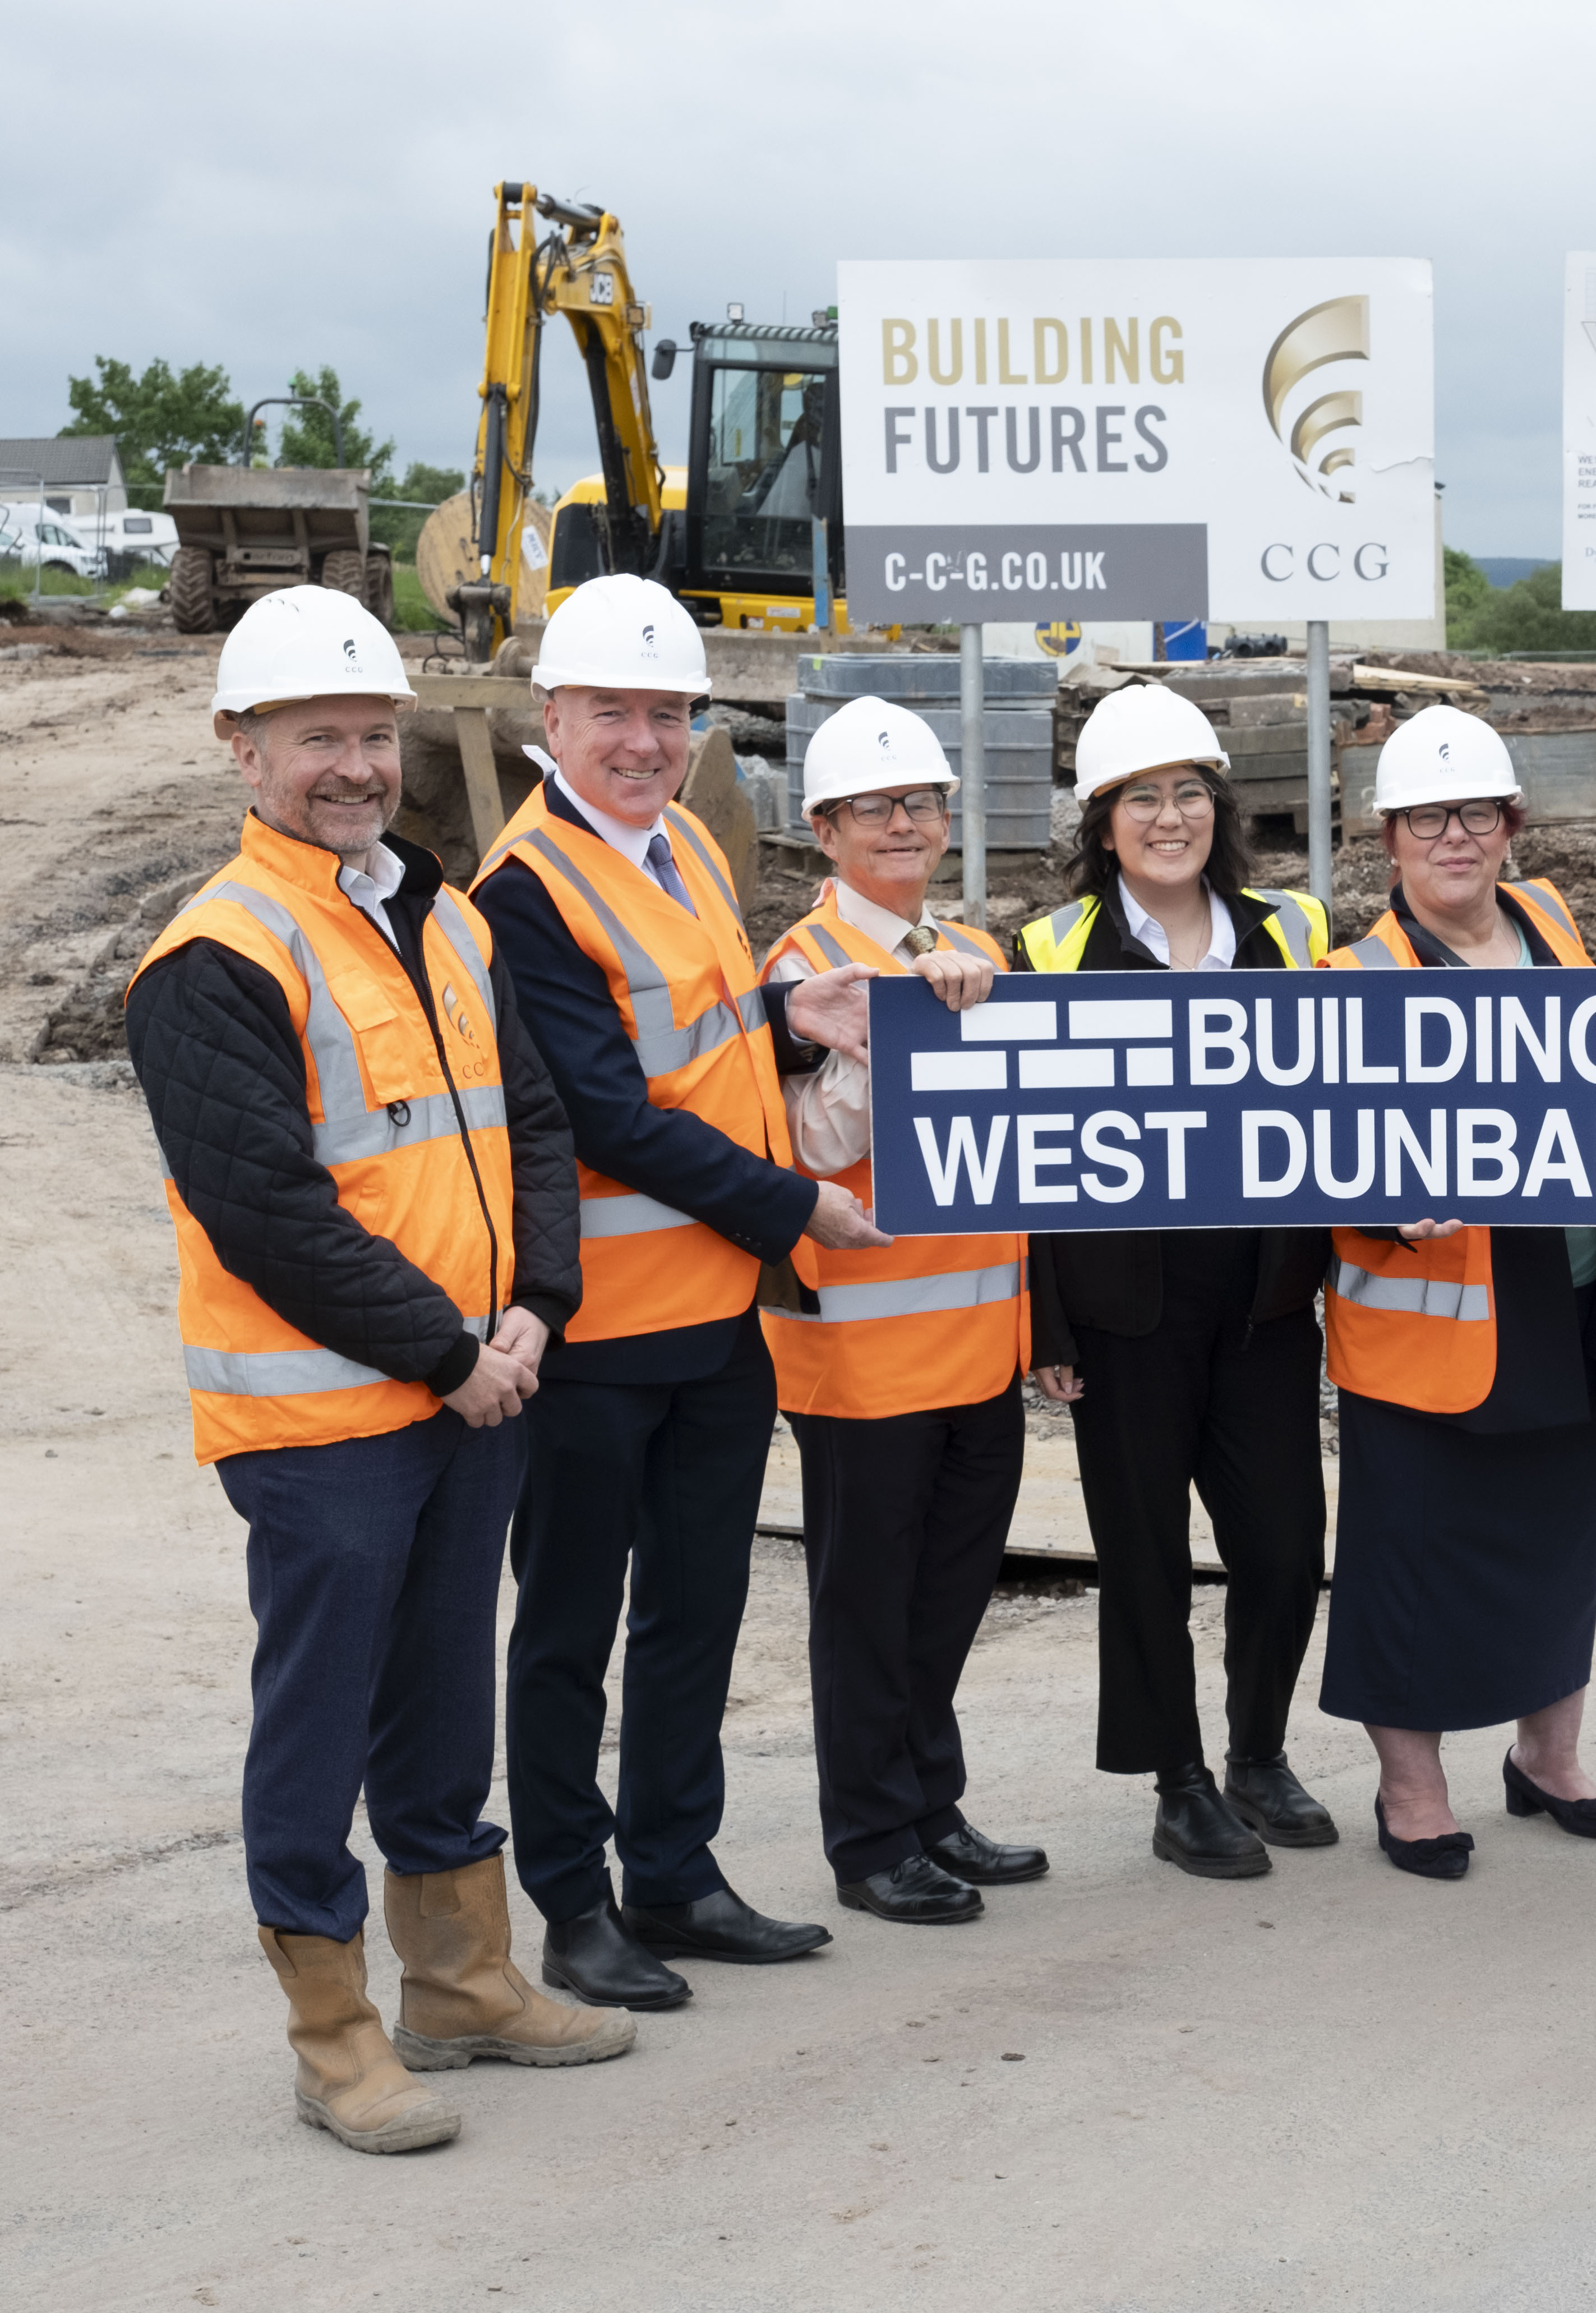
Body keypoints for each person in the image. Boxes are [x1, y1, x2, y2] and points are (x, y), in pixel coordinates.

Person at [126, 587, 630, 2154]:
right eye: (316, 738)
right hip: (326, 1415)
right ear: (242, 748)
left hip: (479, 1382)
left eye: (372, 734)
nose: (353, 765)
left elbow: (530, 1124)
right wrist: (446, 1353)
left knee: (437, 1692)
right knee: (322, 1714)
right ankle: (334, 2031)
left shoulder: (443, 912)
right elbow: (268, 1208)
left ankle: (464, 1985)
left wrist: (536, 1304)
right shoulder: (212, 958)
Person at [471, 575, 877, 2008]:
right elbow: (602, 1112)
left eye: (668, 713)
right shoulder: (521, 893)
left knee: (696, 1609)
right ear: (553, 718)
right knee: (574, 1624)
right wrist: (797, 1203)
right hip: (594, 1338)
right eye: (615, 714)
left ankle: (677, 1873)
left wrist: (784, 1018)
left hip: (714, 1323)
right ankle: (574, 1903)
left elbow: (692, 1047)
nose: (643, 739)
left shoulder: (687, 850)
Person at [1321, 704, 1596, 1879]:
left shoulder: (1551, 924)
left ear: (1511, 826)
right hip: (1432, 1329)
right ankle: (1411, 1790)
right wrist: (1371, 1200)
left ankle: (1548, 1759)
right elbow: (1297, 1150)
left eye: (1475, 813)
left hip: (1570, 1297)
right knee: (1405, 1557)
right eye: (1428, 818)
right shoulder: (1351, 974)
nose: (1453, 836)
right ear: (1390, 838)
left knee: (1562, 1541)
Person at [1018, 685, 1340, 1880]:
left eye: (1188, 793)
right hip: (1122, 1307)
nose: (1169, 817)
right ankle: (1181, 1779)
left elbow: (1352, 1094)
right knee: (1143, 1553)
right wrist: (1043, 1318)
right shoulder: (1049, 952)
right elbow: (1024, 1150)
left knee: (1283, 1544)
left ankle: (1259, 1750)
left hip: (1261, 1295)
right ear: (1102, 823)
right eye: (1141, 798)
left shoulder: (1293, 931)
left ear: (1221, 806)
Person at [760, 697, 1050, 1925]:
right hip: (863, 1353)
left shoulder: (970, 946)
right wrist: (909, 1035)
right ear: (824, 830)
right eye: (874, 808)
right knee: (867, 1606)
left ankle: (932, 1802)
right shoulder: (798, 972)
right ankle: (871, 1833)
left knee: (947, 1593)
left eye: (920, 805)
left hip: (981, 1343)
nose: (902, 824)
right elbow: (810, 1144)